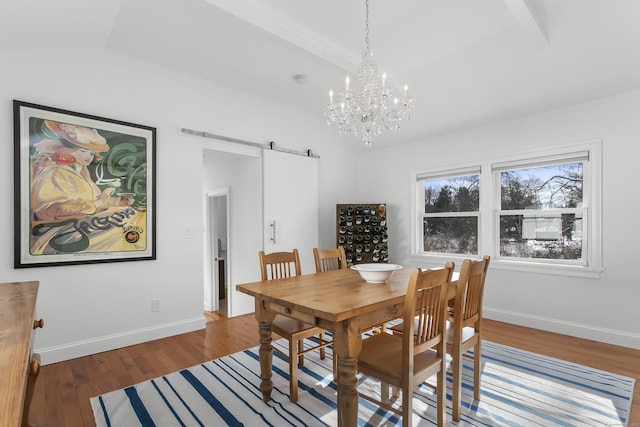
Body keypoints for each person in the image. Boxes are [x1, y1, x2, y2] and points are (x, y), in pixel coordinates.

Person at [30, 120, 130, 222]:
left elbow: (94, 203)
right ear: (67, 150)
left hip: (84, 227)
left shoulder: (82, 172)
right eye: (83, 151)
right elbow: (49, 211)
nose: (88, 157)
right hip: (58, 231)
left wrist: (116, 202)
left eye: (92, 153)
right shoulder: (55, 172)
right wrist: (98, 204)